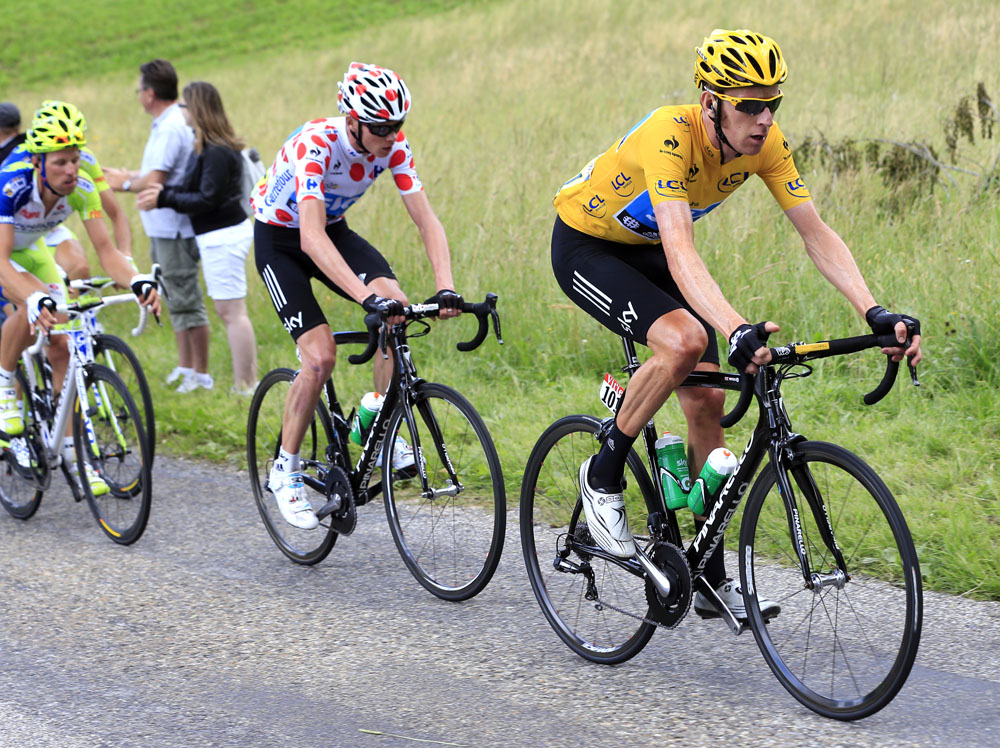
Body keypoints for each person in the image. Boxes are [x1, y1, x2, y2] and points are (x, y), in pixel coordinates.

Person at [550, 29, 922, 621]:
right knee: (686, 340)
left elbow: (816, 232)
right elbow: (681, 250)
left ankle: (709, 580)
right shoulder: (670, 135)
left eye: (772, 102)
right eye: (747, 104)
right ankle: (602, 475)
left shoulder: (765, 144)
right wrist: (734, 325)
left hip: (646, 251)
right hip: (588, 246)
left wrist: (873, 310)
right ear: (710, 103)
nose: (763, 118)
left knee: (703, 401)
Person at [252, 61, 462, 530]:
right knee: (320, 356)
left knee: (398, 308)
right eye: (382, 127)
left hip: (332, 230)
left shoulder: (393, 146)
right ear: (352, 122)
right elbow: (309, 237)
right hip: (283, 240)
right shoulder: (316, 144)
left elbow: (426, 220)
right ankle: (284, 470)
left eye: (398, 125)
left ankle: (374, 415)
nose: (392, 135)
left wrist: (445, 284)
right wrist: (365, 298)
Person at [0, 111, 160, 493]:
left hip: (32, 247)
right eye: (60, 162)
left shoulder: (83, 185)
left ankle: (71, 448)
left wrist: (136, 278)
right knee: (31, 302)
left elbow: (107, 252)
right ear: (38, 163)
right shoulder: (12, 184)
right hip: (4, 254)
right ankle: (5, 386)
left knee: (63, 347)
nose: (70, 169)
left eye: (75, 159)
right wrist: (34, 297)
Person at [136, 81, 258, 394]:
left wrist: (163, 199)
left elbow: (207, 199)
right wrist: (165, 193)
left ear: (198, 109)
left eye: (186, 106)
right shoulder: (205, 147)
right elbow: (196, 192)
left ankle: (246, 386)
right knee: (228, 311)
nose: (182, 111)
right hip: (216, 236)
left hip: (224, 236)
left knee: (232, 313)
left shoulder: (217, 151)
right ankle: (245, 384)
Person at [105, 59, 212, 393]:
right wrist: (127, 177)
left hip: (173, 227)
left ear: (150, 93)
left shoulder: (169, 127)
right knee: (173, 296)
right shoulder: (168, 122)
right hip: (164, 228)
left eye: (139, 89)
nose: (138, 95)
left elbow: (156, 180)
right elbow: (153, 175)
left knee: (186, 299)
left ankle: (201, 374)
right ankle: (185, 366)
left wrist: (121, 185)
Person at [2, 100, 134, 283]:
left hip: (44, 227)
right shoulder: (21, 162)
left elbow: (116, 214)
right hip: (11, 228)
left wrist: (126, 262)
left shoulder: (85, 158)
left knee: (79, 268)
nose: (71, 166)